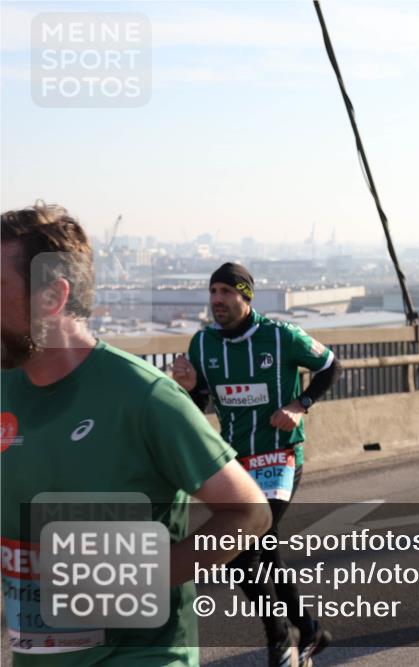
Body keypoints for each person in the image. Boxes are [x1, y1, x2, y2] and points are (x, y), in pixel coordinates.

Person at [1, 203, 271, 666]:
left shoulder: (145, 397)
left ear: (52, 296)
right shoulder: (5, 389)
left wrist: (144, 577)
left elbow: (249, 513)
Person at [172, 262, 341, 666]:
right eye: (213, 292)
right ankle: (309, 629)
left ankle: (281, 642)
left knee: (239, 550)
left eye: (227, 292)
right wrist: (190, 389)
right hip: (237, 461)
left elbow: (331, 365)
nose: (218, 300)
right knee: (264, 550)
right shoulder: (202, 344)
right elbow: (200, 408)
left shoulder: (280, 336)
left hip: (280, 458)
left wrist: (301, 405)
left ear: (246, 296)